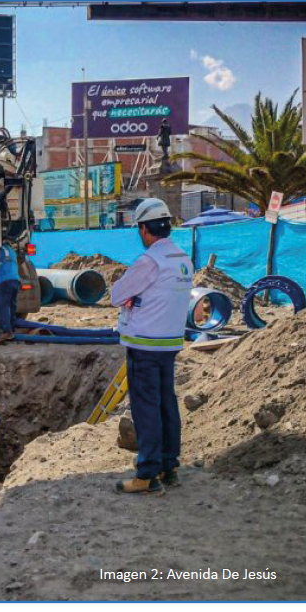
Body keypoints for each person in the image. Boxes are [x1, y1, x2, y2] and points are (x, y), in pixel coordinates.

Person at [110, 198, 193, 495]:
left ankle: (146, 474)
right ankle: (169, 466)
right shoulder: (183, 258)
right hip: (169, 343)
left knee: (146, 409)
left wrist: (133, 296)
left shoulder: (149, 261)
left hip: (144, 345)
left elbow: (117, 294)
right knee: (166, 404)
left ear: (144, 229)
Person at [0, 242, 21, 344]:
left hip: (5, 281)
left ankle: (7, 331)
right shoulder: (12, 252)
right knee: (12, 304)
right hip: (15, 280)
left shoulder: (0, 251)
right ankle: (12, 327)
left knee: (3, 305)